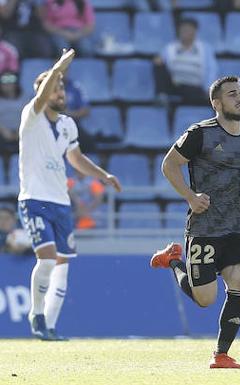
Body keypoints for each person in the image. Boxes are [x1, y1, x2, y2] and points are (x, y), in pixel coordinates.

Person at [149, 76, 240, 369]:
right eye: (231, 95)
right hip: (204, 228)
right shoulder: (199, 134)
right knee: (205, 299)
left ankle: (221, 354)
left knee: (239, 280)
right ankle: (173, 261)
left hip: (235, 228)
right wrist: (189, 196)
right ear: (216, 103)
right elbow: (169, 164)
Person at [17, 49, 122, 341]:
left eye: (62, 87)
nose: (59, 92)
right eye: (54, 87)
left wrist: (103, 174)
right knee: (47, 260)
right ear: (43, 93)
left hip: (61, 202)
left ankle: (49, 325)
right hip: (35, 199)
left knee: (62, 265)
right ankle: (36, 314)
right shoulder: (32, 116)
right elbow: (42, 95)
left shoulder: (67, 124)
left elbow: (75, 158)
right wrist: (59, 67)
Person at [154, 17, 218, 105]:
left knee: (192, 93)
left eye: (189, 29)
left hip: (195, 87)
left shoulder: (205, 49)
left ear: (195, 32)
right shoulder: (169, 48)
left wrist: (208, 88)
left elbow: (211, 70)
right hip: (175, 85)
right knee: (158, 63)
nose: (185, 32)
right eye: (183, 29)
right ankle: (162, 96)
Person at [0, 71, 23, 153]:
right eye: (5, 81)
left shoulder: (25, 97)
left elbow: (31, 116)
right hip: (2, 134)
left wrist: (20, 131)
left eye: (11, 81)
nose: (8, 84)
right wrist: (3, 130)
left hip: (22, 133)